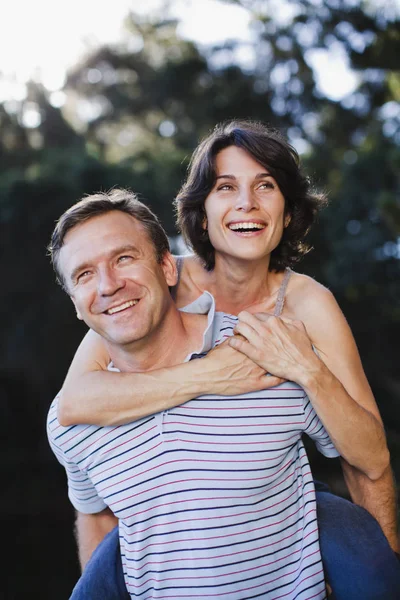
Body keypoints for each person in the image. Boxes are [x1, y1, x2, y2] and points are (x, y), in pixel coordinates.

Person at [53, 120, 400, 597]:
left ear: (287, 209)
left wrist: (308, 369)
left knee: (357, 547)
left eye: (266, 186)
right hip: (161, 516)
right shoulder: (163, 285)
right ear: (201, 213)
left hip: (277, 492)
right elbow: (75, 402)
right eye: (226, 187)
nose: (247, 203)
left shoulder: (308, 304)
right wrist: (207, 374)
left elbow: (368, 455)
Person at [47, 189, 341, 599]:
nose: (109, 285)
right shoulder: (69, 422)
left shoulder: (261, 350)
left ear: (168, 268)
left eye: (124, 258)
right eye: (84, 275)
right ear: (77, 305)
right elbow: (95, 515)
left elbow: (357, 459)